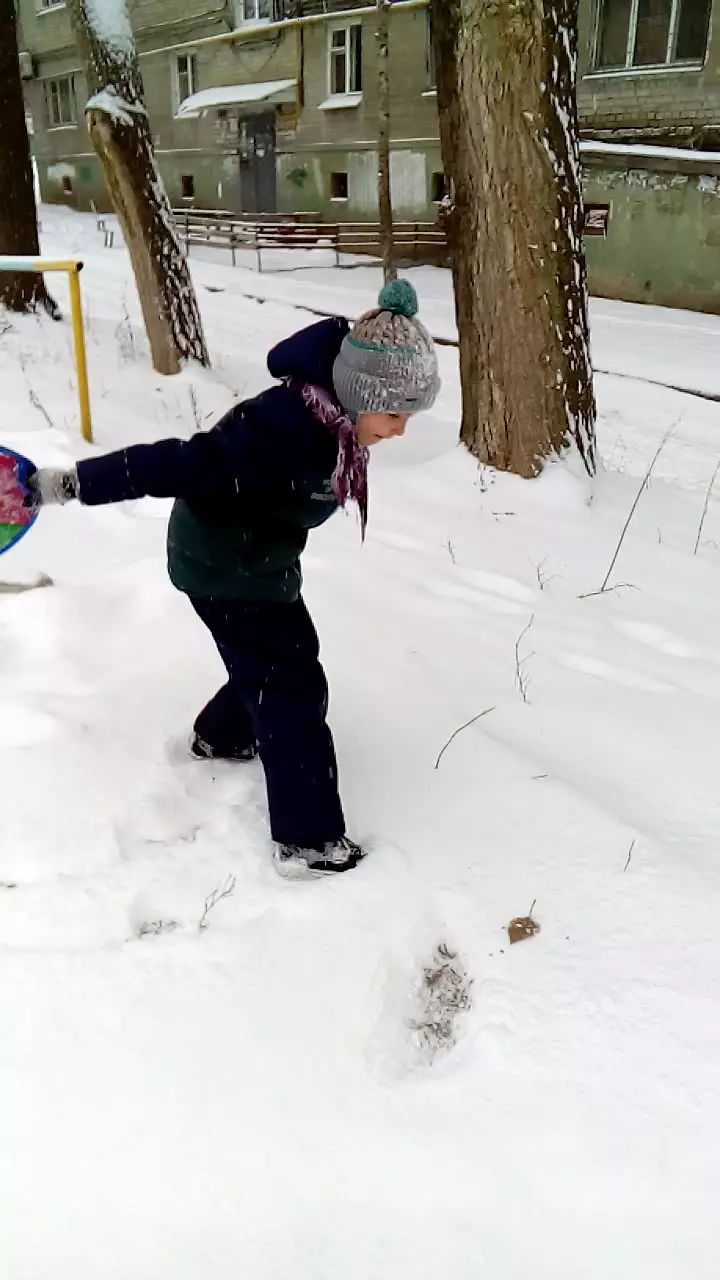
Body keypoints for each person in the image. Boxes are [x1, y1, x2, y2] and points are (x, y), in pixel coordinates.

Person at [26, 279, 440, 879]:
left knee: (273, 662)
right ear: (359, 390)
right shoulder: (275, 430)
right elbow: (173, 463)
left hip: (255, 561)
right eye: (396, 412)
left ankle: (221, 738)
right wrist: (70, 484)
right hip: (224, 567)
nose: (401, 429)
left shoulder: (333, 423)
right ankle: (308, 841)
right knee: (293, 689)